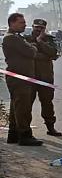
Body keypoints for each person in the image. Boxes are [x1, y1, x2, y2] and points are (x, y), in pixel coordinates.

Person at [2, 14, 43, 146]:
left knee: (17, 107)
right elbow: (31, 52)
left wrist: (31, 47)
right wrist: (33, 47)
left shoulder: (17, 38)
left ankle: (13, 134)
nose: (25, 25)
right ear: (12, 23)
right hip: (19, 78)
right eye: (21, 22)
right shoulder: (12, 38)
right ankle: (25, 135)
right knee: (23, 108)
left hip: (21, 76)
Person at [25, 19, 61, 137]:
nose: (38, 30)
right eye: (36, 27)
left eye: (41, 28)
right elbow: (26, 54)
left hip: (46, 77)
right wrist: (45, 56)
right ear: (32, 27)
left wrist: (40, 41)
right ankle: (25, 130)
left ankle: (51, 127)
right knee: (26, 105)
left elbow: (54, 53)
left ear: (44, 29)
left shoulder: (48, 40)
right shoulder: (25, 39)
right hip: (29, 77)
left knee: (47, 103)